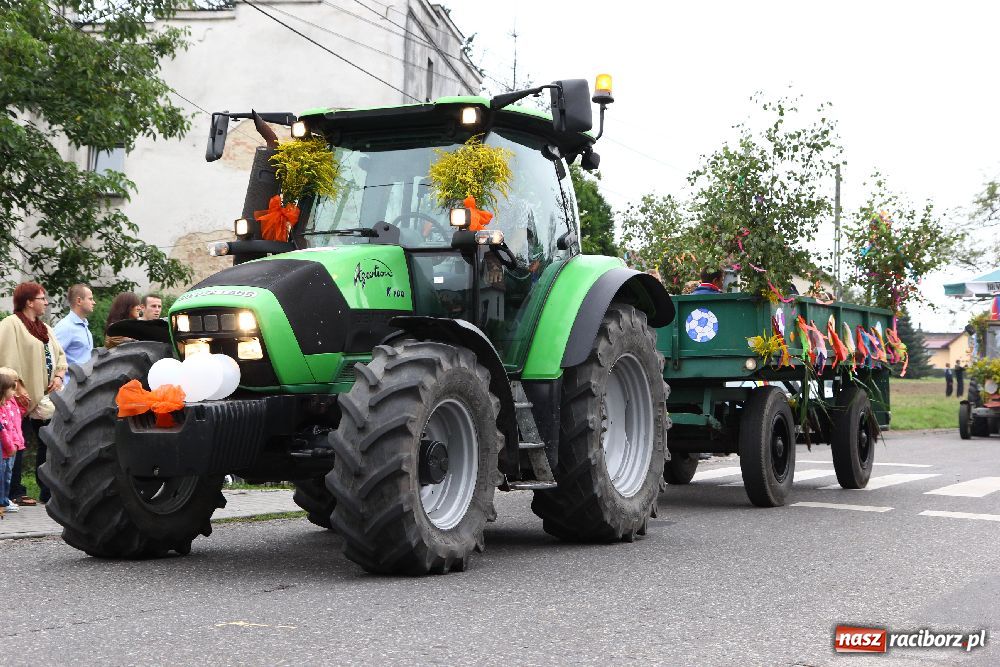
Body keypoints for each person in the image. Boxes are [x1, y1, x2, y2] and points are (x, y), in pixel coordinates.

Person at [0, 282, 68, 506]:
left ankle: (46, 491)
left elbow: (60, 355)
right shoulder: (12, 324)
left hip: (45, 397)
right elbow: (7, 357)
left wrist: (58, 376)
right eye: (42, 299)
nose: (46, 303)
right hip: (20, 397)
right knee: (16, 443)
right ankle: (13, 492)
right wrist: (18, 387)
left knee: (48, 442)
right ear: (29, 302)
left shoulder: (44, 328)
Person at [0, 368, 30, 517]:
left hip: (14, 443)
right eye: (13, 384)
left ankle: (5, 499)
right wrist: (10, 445)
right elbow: (4, 429)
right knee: (3, 474)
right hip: (7, 446)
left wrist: (24, 404)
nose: (16, 387)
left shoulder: (11, 403)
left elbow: (20, 416)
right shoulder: (3, 407)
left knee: (8, 474)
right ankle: (3, 500)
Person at [53, 284, 96, 369]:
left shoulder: (84, 326)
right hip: (68, 382)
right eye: (90, 299)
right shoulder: (65, 327)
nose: (94, 302)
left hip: (84, 381)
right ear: (79, 301)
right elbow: (52, 357)